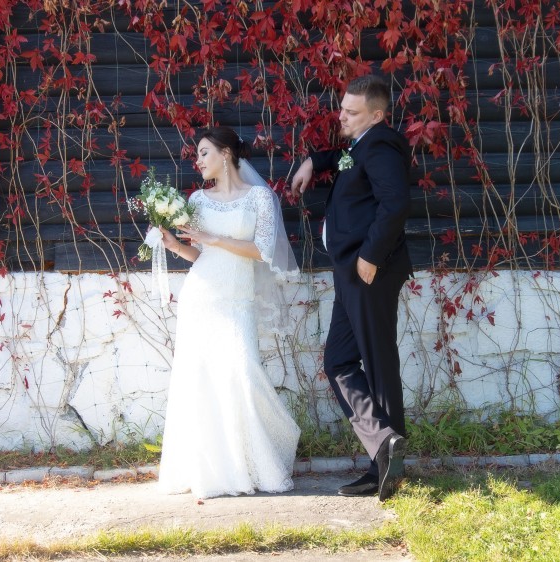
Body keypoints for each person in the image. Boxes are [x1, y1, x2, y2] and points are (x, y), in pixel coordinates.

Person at [156, 126, 301, 499]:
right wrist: (175, 245)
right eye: (197, 154)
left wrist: (214, 238)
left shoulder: (259, 198)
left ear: (225, 154)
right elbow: (200, 254)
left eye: (204, 152)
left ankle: (247, 466)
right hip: (201, 297)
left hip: (237, 300)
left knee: (242, 374)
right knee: (200, 382)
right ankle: (207, 471)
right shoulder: (198, 200)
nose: (198, 160)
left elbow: (263, 250)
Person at [291, 75, 412, 501]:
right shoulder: (362, 146)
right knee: (339, 360)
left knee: (378, 364)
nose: (341, 116)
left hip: (369, 271)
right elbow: (347, 159)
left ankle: (387, 470)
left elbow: (395, 203)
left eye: (351, 112)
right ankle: (384, 446)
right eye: (342, 108)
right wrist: (315, 159)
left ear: (376, 116)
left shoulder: (380, 146)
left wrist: (370, 257)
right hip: (351, 272)